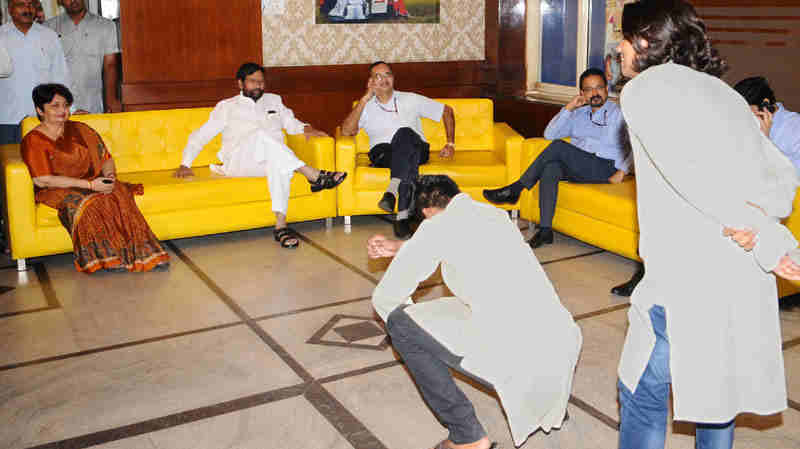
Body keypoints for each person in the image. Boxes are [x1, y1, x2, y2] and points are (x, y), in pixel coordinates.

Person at [614, 1, 800, 448]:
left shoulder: (643, 90)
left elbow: (688, 173)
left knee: (640, 389)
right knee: (717, 395)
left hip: (685, 277)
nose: (617, 47)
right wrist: (766, 233)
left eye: (623, 36)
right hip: (737, 270)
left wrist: (752, 229)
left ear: (644, 40)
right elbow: (777, 175)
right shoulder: (726, 94)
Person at [369, 175, 581, 449]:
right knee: (499, 305)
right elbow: (458, 241)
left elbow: (386, 296)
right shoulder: (494, 215)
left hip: (517, 349)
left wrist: (414, 327)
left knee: (400, 323)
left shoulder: (435, 228)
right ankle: (549, 400)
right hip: (562, 339)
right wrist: (403, 248)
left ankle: (466, 437)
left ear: (425, 213)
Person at [175, 62, 346, 249]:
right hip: (239, 161)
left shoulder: (274, 100)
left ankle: (281, 226)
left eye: (261, 82)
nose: (258, 85)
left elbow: (291, 122)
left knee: (279, 162)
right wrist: (186, 163)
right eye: (253, 81)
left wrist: (308, 128)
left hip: (267, 159)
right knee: (261, 135)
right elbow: (201, 135)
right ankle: (312, 174)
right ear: (240, 84)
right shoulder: (227, 107)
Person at [21, 84, 170, 273]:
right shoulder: (34, 140)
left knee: (119, 192)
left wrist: (109, 177)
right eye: (55, 106)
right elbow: (42, 180)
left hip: (94, 180)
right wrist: (90, 185)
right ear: (40, 110)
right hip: (56, 188)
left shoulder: (81, 129)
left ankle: (143, 252)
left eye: (65, 105)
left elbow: (105, 158)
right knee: (89, 203)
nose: (62, 111)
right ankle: (104, 259)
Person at [482, 67, 631, 248]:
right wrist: (568, 107)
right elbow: (549, 134)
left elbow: (634, 142)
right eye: (589, 89)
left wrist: (622, 171)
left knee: (559, 148)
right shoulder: (579, 114)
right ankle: (545, 231)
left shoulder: (618, 113)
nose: (595, 93)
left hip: (604, 166)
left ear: (607, 89)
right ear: (582, 93)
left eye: (599, 87)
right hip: (580, 165)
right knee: (550, 167)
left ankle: (516, 188)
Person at [342, 61, 455, 239]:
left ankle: (392, 190)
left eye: (388, 74)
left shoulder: (411, 98)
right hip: (383, 153)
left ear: (393, 78)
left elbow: (446, 111)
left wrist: (450, 143)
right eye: (378, 76)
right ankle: (403, 215)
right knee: (406, 153)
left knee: (405, 133)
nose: (384, 79)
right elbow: (346, 131)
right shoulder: (365, 106)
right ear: (370, 81)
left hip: (418, 148)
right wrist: (365, 98)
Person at [0, 0, 70, 145]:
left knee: (42, 166)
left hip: (44, 120)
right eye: (21, 4)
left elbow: (61, 76)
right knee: (9, 166)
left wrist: (70, 109)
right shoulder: (1, 36)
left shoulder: (49, 36)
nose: (27, 8)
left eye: (31, 4)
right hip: (6, 120)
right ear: (10, 9)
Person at [45, 0, 121, 113]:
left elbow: (110, 65)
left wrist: (112, 100)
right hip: (57, 109)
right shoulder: (48, 28)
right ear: (60, 1)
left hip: (92, 105)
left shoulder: (106, 26)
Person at [733, 76, 800, 175]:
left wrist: (766, 143)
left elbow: (794, 175)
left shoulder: (795, 126)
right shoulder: (749, 125)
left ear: (765, 104)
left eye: (746, 110)